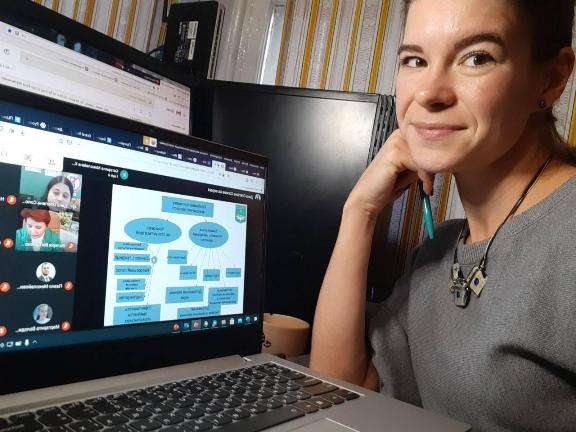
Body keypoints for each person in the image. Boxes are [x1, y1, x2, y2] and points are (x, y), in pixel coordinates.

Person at [310, 1, 576, 431]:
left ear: (551, 77)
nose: (428, 93)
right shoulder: (439, 250)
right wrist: (359, 212)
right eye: (415, 60)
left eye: (477, 57)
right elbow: (336, 392)